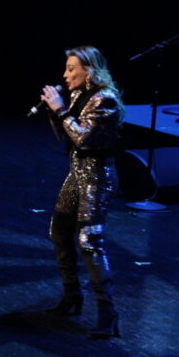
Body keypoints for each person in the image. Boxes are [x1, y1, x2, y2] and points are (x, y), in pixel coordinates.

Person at [39, 46, 125, 339]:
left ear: (89, 70)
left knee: (89, 240)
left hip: (97, 177)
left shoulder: (105, 99)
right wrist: (55, 112)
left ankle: (107, 314)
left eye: (72, 68)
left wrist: (60, 110)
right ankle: (71, 297)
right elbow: (66, 135)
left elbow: (85, 140)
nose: (65, 75)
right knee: (59, 232)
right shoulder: (77, 96)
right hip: (76, 174)